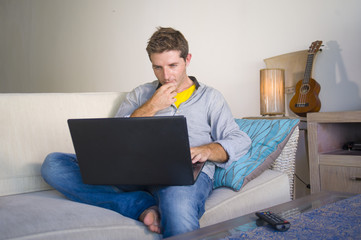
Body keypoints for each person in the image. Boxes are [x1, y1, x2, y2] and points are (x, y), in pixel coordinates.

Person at [41, 27, 251, 238]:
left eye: (173, 66)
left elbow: (239, 139)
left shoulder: (210, 98)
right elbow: (113, 140)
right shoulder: (140, 94)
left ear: (187, 59)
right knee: (53, 164)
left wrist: (207, 150)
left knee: (178, 209)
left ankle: (150, 205)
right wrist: (151, 106)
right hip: (133, 171)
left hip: (181, 175)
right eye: (157, 67)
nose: (166, 75)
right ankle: (142, 206)